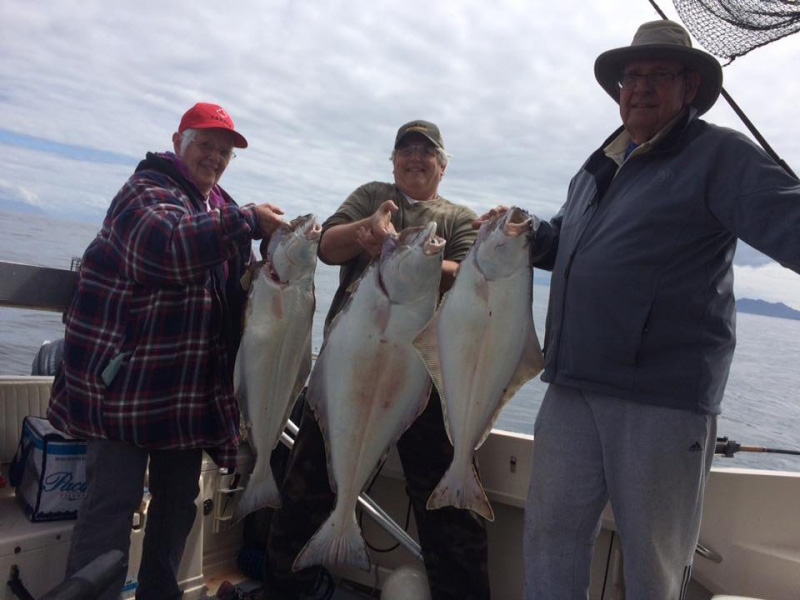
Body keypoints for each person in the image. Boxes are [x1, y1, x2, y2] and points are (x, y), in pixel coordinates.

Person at [476, 20, 800, 599]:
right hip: (572, 386)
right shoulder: (596, 168)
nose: (641, 87)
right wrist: (526, 232)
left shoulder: (719, 155)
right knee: (549, 537)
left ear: (689, 87)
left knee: (653, 561)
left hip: (661, 398)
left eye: (659, 75)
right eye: (632, 76)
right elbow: (569, 244)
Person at [47, 102, 286, 600]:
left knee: (178, 506)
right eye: (205, 145)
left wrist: (270, 272)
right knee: (111, 506)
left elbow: (235, 292)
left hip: (185, 394)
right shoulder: (146, 191)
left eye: (224, 152)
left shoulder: (218, 206)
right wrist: (247, 220)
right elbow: (165, 248)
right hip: (122, 389)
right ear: (179, 142)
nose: (214, 157)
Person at [263, 120, 491, 600]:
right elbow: (328, 246)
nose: (415, 158)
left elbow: (469, 275)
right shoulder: (372, 196)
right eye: (405, 149)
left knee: (449, 509)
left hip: (425, 381)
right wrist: (365, 231)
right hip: (345, 375)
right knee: (304, 490)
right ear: (392, 162)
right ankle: (285, 589)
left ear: (443, 166)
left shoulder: (458, 218)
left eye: (427, 151)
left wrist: (413, 256)